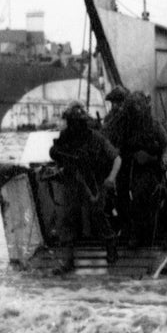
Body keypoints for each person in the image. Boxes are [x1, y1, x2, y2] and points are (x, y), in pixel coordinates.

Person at [48, 104, 121, 272]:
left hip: (95, 180)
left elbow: (116, 158)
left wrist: (110, 178)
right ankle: (68, 260)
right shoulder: (66, 136)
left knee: (97, 213)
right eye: (70, 122)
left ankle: (111, 245)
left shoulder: (96, 138)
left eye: (74, 122)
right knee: (68, 216)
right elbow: (55, 151)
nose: (72, 125)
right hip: (74, 179)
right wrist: (57, 154)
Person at [103, 90, 167, 247]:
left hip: (146, 166)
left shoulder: (152, 124)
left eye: (139, 105)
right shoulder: (121, 123)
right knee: (119, 197)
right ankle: (126, 229)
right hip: (125, 164)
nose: (136, 110)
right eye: (133, 106)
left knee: (140, 193)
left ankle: (137, 233)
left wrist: (163, 157)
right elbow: (110, 140)